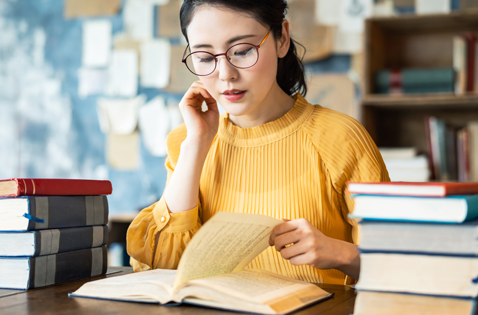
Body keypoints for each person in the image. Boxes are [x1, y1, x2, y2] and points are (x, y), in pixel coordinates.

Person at [127, 0, 389, 285]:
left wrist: (341, 253)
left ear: (282, 39)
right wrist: (196, 145)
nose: (225, 74)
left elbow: (404, 268)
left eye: (242, 51)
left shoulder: (340, 137)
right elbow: (162, 268)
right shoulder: (187, 141)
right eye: (204, 57)